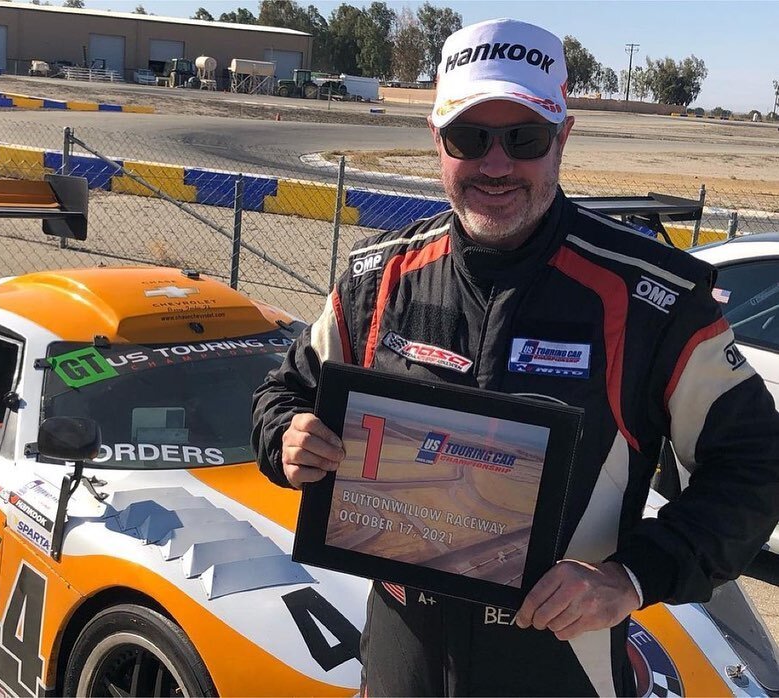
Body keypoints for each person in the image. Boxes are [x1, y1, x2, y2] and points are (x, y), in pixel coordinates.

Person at [252, 17, 779, 697]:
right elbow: (283, 396)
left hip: (559, 662)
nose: (494, 164)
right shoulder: (374, 277)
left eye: (522, 138)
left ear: (562, 136)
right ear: (436, 140)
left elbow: (755, 462)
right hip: (399, 658)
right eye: (469, 137)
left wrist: (631, 577)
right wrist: (285, 439)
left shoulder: (651, 298)